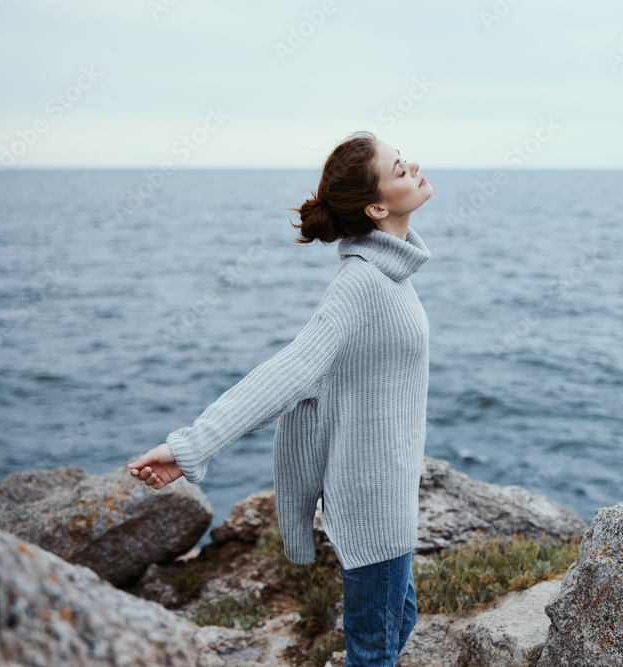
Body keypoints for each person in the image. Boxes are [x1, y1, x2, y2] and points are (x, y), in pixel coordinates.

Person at [127, 129, 434, 666]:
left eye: (405, 160)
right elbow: (289, 372)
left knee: (397, 622)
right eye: (399, 168)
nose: (414, 168)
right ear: (376, 205)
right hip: (372, 503)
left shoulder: (391, 275)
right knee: (374, 651)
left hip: (392, 495)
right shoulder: (360, 284)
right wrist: (191, 446)